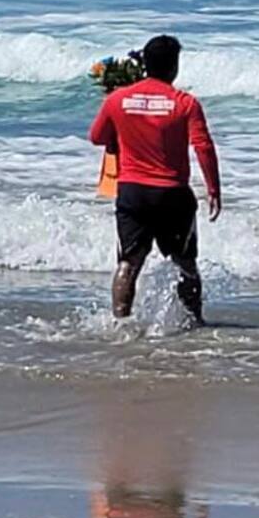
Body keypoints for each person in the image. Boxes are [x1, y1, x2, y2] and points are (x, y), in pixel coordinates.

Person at [90, 35, 222, 324]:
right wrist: (213, 189)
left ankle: (120, 323)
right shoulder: (185, 103)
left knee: (129, 263)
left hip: (132, 191)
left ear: (145, 64)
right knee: (185, 263)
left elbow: (97, 137)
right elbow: (203, 146)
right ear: (174, 66)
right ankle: (194, 321)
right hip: (172, 194)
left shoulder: (117, 99)